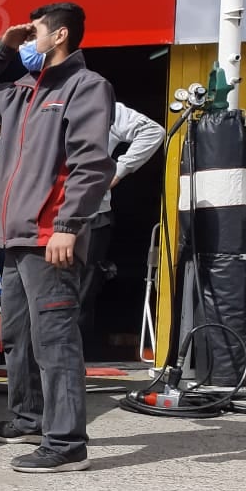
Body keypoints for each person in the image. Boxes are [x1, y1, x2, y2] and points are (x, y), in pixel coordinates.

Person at [0, 2, 116, 474]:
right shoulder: (21, 92)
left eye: (34, 33)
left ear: (61, 35)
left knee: (55, 340)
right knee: (19, 336)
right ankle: (29, 417)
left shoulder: (85, 88)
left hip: (50, 237)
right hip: (14, 238)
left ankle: (67, 444)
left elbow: (91, 165)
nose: (27, 41)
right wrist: (0, 48)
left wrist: (67, 227)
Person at [79, 102, 164, 349]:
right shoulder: (32, 102)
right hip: (41, 216)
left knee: (82, 294)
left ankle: (74, 368)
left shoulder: (101, 104)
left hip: (92, 216)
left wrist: (119, 170)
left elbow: (153, 131)